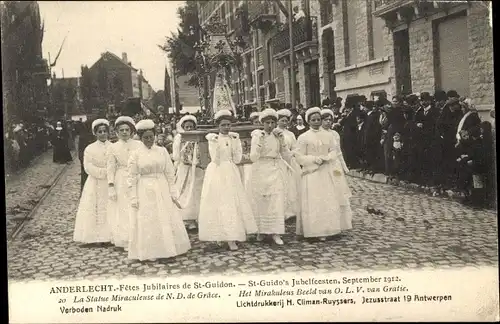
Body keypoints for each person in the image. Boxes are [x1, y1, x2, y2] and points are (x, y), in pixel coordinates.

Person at [127, 119, 190, 262]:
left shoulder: (162, 151)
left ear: (155, 136)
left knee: (165, 217)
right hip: (145, 188)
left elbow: (169, 172)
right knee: (150, 218)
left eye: (151, 137)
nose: (149, 140)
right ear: (140, 138)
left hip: (161, 186)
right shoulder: (135, 154)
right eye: (145, 138)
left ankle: (168, 249)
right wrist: (134, 197)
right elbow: (131, 176)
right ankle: (151, 251)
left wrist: (173, 191)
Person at [198, 110, 257, 251]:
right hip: (218, 172)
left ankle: (232, 236)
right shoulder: (213, 139)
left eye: (228, 125)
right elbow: (215, 159)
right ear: (218, 126)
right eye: (223, 125)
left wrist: (237, 143)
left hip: (230, 171)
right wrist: (214, 142)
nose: (226, 128)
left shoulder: (233, 139)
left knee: (232, 202)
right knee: (219, 201)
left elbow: (237, 158)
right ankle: (219, 235)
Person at [295, 107, 352, 241]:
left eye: (318, 119)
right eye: (313, 120)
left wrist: (327, 158)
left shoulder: (329, 135)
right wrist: (314, 159)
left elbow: (334, 151)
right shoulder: (304, 137)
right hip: (312, 172)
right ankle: (315, 230)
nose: (316, 122)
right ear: (308, 121)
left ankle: (330, 228)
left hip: (326, 170)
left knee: (328, 198)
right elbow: (299, 156)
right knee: (315, 200)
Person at [248, 109, 291, 245]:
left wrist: (282, 141)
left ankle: (275, 232)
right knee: (261, 199)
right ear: (262, 123)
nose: (271, 125)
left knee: (276, 200)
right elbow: (253, 157)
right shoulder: (257, 136)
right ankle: (261, 230)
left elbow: (286, 156)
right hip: (260, 168)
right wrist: (259, 142)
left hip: (275, 168)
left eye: (273, 122)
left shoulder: (278, 136)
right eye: (267, 123)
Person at [73, 119, 112, 245]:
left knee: (109, 207)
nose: (102, 134)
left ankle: (109, 235)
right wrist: (103, 172)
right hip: (95, 182)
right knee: (95, 207)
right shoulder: (89, 149)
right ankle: (95, 237)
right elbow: (87, 166)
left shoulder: (112, 147)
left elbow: (116, 164)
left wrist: (110, 173)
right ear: (95, 133)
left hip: (110, 182)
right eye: (99, 131)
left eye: (104, 131)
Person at [106, 116, 142, 250]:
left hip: (136, 177)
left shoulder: (138, 145)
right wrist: (111, 185)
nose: (125, 132)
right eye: (121, 130)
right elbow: (110, 167)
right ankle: (125, 239)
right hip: (120, 178)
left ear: (132, 131)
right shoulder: (113, 147)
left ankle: (138, 237)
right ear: (117, 131)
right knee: (123, 209)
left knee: (137, 206)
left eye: (127, 129)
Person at [172, 114, 204, 231]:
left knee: (197, 192)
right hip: (185, 168)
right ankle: (187, 218)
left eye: (191, 127)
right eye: (187, 127)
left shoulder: (198, 138)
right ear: (183, 127)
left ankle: (198, 217)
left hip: (198, 169)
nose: (189, 129)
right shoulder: (180, 138)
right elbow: (176, 155)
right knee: (186, 192)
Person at [276, 108, 301, 221]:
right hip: (280, 160)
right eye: (282, 121)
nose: (285, 123)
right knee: (282, 184)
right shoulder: (275, 133)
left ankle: (293, 210)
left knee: (293, 184)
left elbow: (295, 147)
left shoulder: (290, 133)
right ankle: (282, 210)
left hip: (290, 160)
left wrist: (292, 153)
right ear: (278, 121)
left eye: (286, 121)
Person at [78, 120, 95, 194]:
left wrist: (82, 161)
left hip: (86, 162)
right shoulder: (88, 136)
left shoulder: (83, 136)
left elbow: (80, 151)